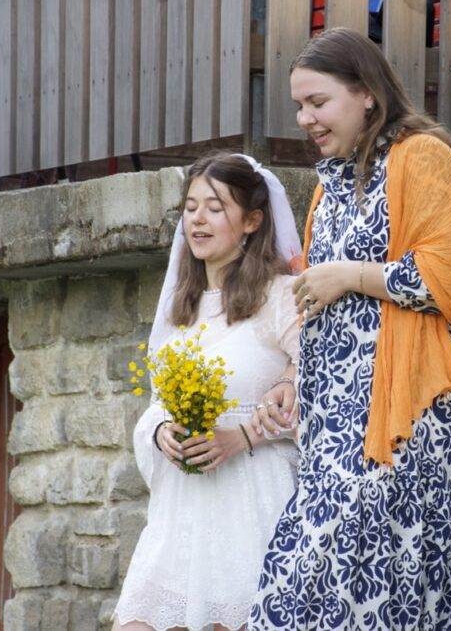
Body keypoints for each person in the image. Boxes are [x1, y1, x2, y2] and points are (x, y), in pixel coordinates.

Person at [249, 27, 451, 630]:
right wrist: (293, 376)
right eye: (299, 106)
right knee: (304, 580)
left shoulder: (423, 157)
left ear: (366, 94)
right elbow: (318, 301)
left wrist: (352, 275)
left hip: (411, 414)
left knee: (385, 583)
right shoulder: (330, 184)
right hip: (337, 418)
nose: (305, 118)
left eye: (317, 101)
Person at [112, 152, 303, 631]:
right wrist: (162, 432)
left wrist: (242, 437)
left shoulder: (282, 296)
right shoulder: (182, 306)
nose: (197, 219)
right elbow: (158, 402)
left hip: (253, 499)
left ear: (252, 221)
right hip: (183, 510)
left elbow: (325, 391)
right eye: (191, 207)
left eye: (215, 208)